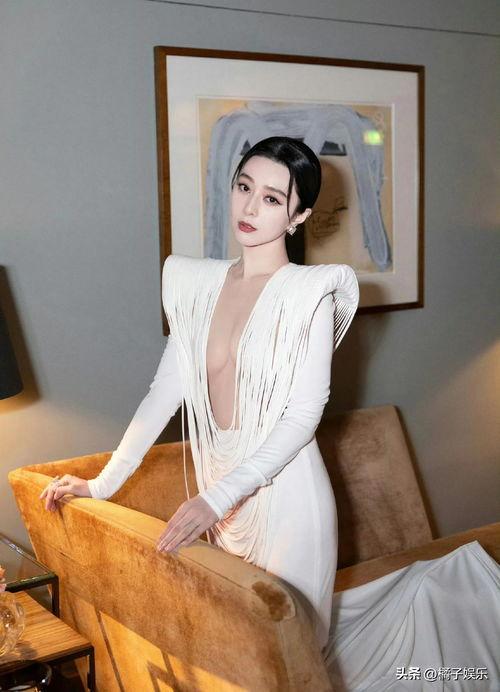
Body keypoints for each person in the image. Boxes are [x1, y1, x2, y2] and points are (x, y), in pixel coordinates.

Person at [39, 136, 499, 690]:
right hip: (226, 501)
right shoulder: (196, 285)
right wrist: (102, 484)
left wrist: (215, 499)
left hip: (289, 505)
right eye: (244, 187)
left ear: (299, 216)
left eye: (273, 198)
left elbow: (304, 416)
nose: (251, 207)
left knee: (292, 664)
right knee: (245, 659)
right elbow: (164, 393)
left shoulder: (310, 293)